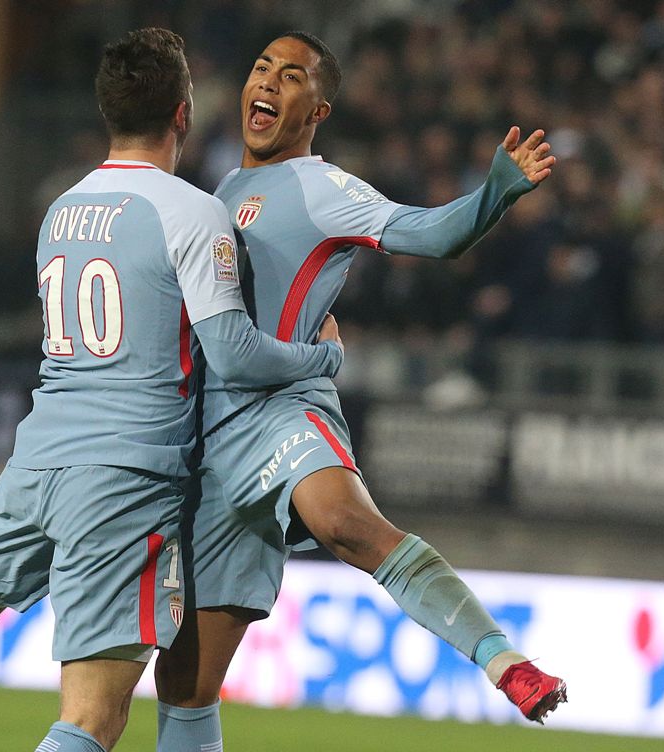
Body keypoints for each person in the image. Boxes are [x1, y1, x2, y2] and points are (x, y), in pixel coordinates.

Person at [0, 28, 345, 752]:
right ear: (184, 114)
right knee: (93, 716)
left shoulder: (61, 209)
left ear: (107, 111)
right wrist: (321, 360)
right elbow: (235, 355)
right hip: (122, 478)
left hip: (37, 460)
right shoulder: (192, 213)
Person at [153, 31, 567, 752]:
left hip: (282, 408)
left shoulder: (324, 187)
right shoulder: (221, 190)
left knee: (345, 523)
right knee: (184, 687)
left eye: (291, 77)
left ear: (318, 109)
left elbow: (430, 234)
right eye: (261, 70)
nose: (269, 85)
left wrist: (495, 190)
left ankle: (508, 662)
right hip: (213, 446)